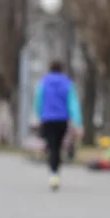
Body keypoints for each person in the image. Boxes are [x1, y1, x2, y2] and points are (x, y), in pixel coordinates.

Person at [34, 60, 83, 191]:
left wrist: (39, 115)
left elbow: (38, 100)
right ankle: (55, 173)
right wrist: (77, 123)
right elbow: (73, 104)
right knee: (57, 147)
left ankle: (53, 173)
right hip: (62, 120)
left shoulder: (43, 83)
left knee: (52, 147)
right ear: (62, 70)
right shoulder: (67, 84)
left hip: (48, 119)